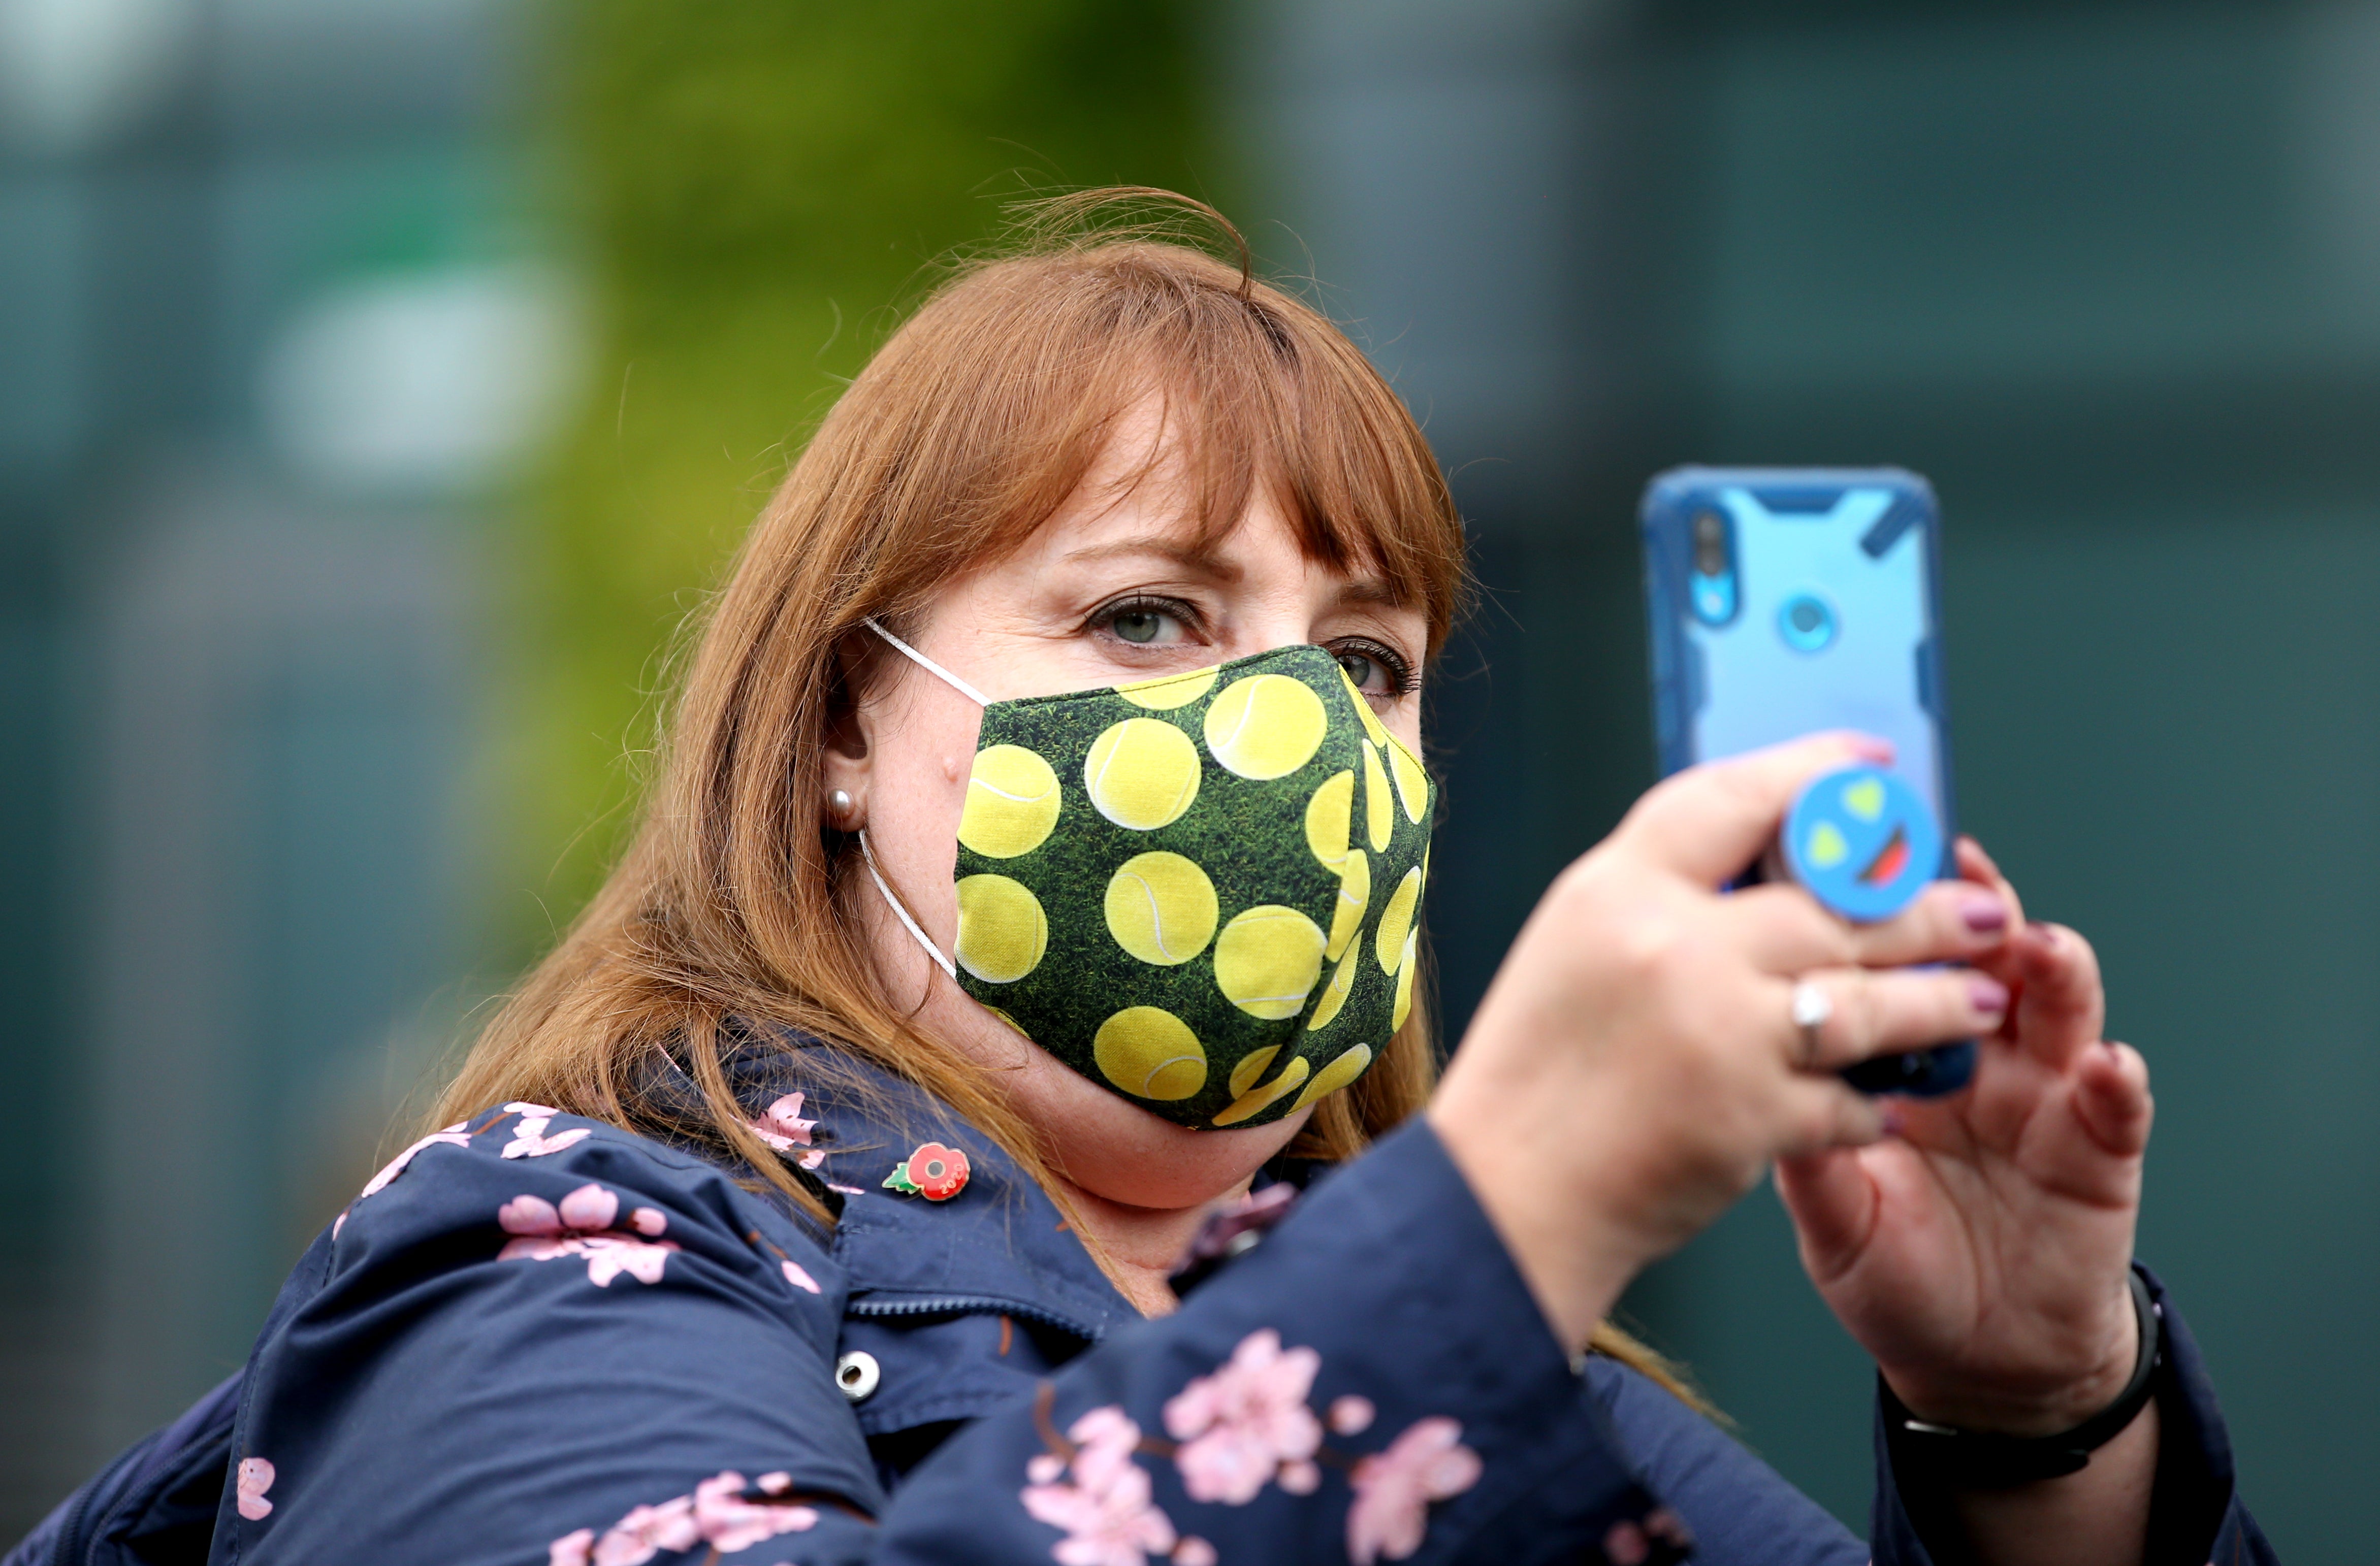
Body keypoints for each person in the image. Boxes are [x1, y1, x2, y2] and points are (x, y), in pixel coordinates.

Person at [14, 193, 2270, 1566]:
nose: (1287, 733)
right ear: (835, 731)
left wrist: (2029, 1432)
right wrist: (1503, 1209)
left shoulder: (1544, 1394)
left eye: (1360, 657)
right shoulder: (537, 1256)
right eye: (1147, 620)